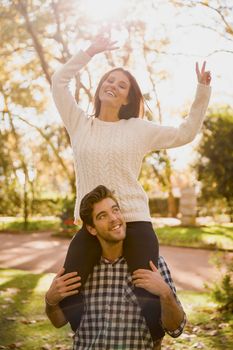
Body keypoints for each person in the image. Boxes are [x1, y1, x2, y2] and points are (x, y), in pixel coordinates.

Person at [51, 32, 211, 336]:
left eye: (121, 85)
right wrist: (90, 51)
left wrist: (202, 90)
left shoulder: (138, 129)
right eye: (109, 81)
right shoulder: (79, 123)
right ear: (100, 89)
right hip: (92, 224)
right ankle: (85, 337)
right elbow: (59, 82)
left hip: (135, 221)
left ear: (127, 98)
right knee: (68, 286)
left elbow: (185, 133)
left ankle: (153, 342)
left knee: (148, 293)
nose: (113, 85)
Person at [45, 185, 186, 350]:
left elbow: (176, 329)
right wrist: (50, 301)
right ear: (91, 228)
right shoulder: (80, 271)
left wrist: (165, 293)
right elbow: (58, 322)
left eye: (115, 210)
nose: (113, 218)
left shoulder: (154, 265)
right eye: (102, 216)